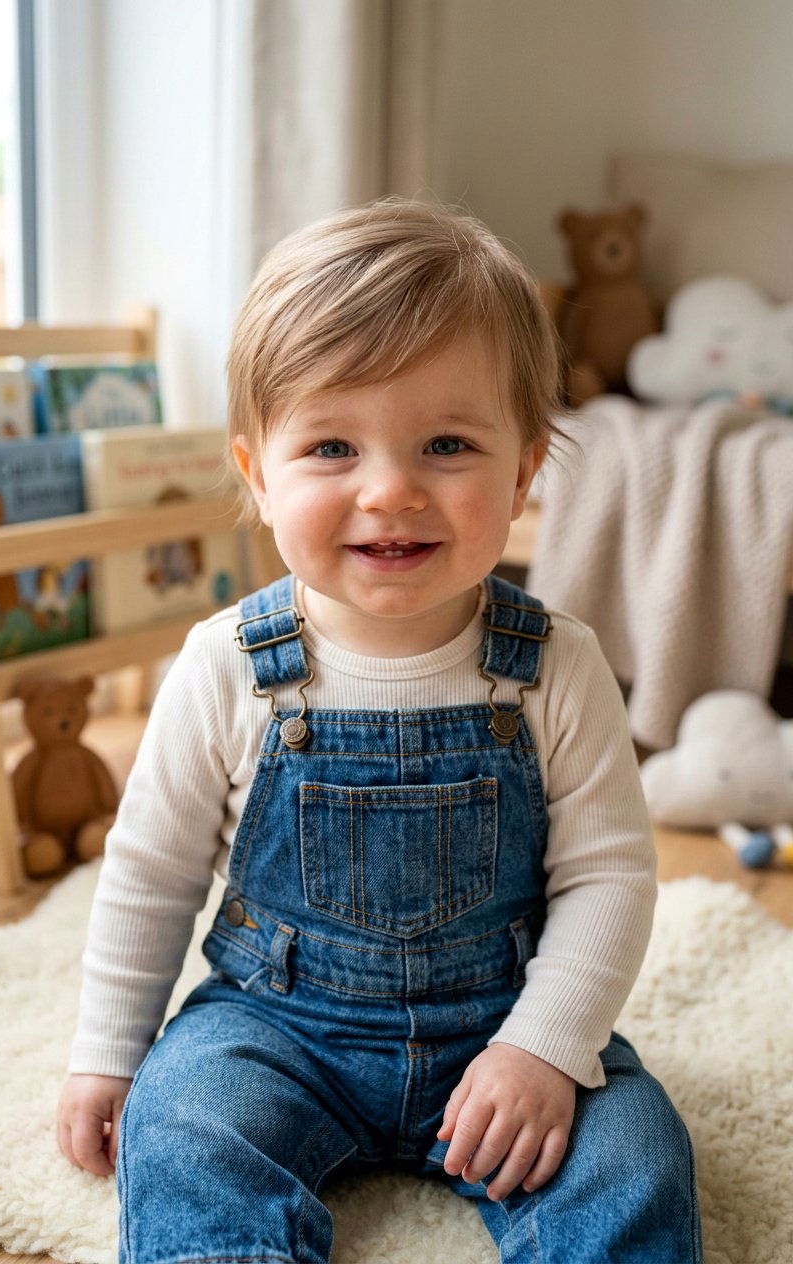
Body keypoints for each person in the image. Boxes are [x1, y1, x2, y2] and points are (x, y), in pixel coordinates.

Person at [57, 198, 703, 1263]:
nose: (391, 489)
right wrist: (106, 1053)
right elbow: (150, 872)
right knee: (180, 1129)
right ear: (257, 473)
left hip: (504, 1013)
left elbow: (609, 878)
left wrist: (544, 1048)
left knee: (636, 1159)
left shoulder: (555, 664)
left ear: (525, 469)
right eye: (330, 446)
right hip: (276, 1030)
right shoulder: (227, 662)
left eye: (447, 443)